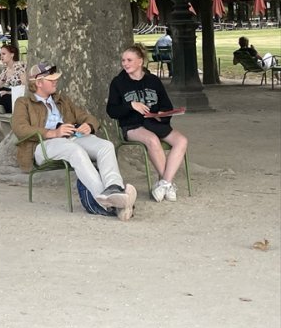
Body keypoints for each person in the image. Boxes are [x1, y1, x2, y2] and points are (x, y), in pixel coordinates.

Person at [12, 62, 137, 220]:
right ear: (38, 83)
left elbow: (86, 116)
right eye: (51, 80)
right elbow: (19, 128)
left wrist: (89, 126)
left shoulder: (61, 100)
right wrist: (52, 132)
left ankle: (114, 189)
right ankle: (107, 202)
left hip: (71, 138)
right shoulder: (23, 103)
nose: (55, 81)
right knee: (75, 151)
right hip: (42, 145)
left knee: (105, 146)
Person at [107, 44, 189, 202]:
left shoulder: (153, 81)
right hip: (132, 125)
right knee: (152, 139)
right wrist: (131, 105)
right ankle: (168, 184)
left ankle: (164, 183)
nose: (125, 63)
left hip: (155, 123)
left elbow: (166, 105)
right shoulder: (118, 82)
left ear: (140, 61)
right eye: (123, 60)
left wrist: (161, 115)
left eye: (129, 60)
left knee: (181, 141)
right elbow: (111, 110)